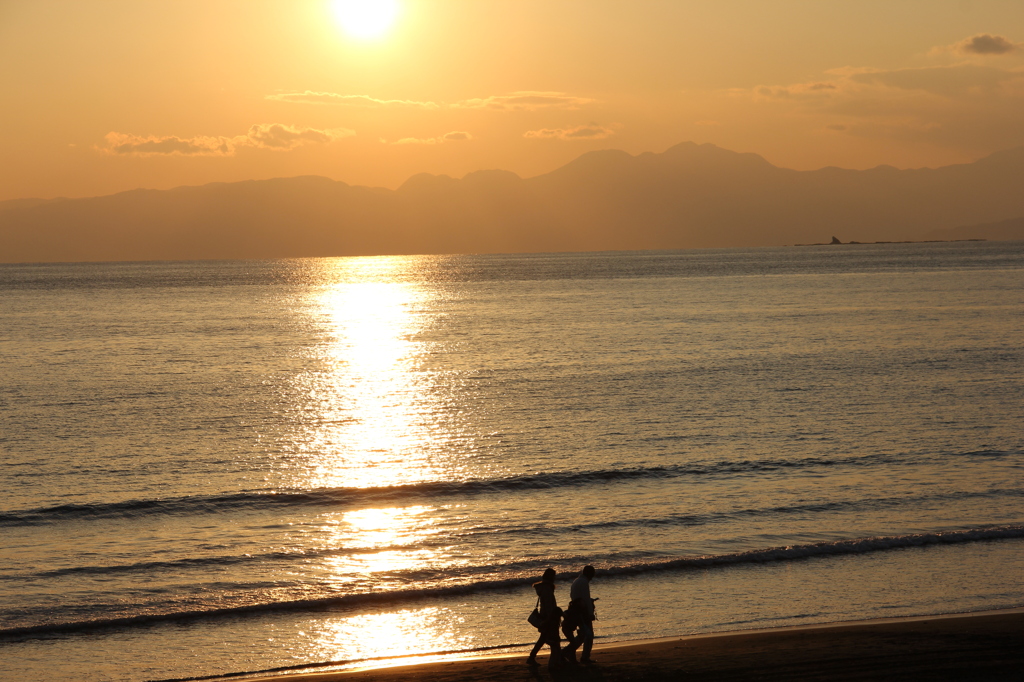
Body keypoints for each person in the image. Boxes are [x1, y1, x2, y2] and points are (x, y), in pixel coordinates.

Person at [527, 568, 564, 667]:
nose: (555, 578)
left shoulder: (544, 587)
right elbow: (549, 606)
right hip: (549, 618)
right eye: (554, 576)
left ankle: (532, 657)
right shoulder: (547, 588)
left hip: (545, 616)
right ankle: (556, 661)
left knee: (543, 638)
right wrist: (552, 618)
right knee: (554, 640)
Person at [564, 565, 597, 663]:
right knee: (588, 634)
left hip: (576, 610)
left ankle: (570, 653)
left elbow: (573, 596)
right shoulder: (584, 582)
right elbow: (586, 599)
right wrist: (590, 613)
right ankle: (582, 656)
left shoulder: (576, 581)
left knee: (583, 634)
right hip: (583, 612)